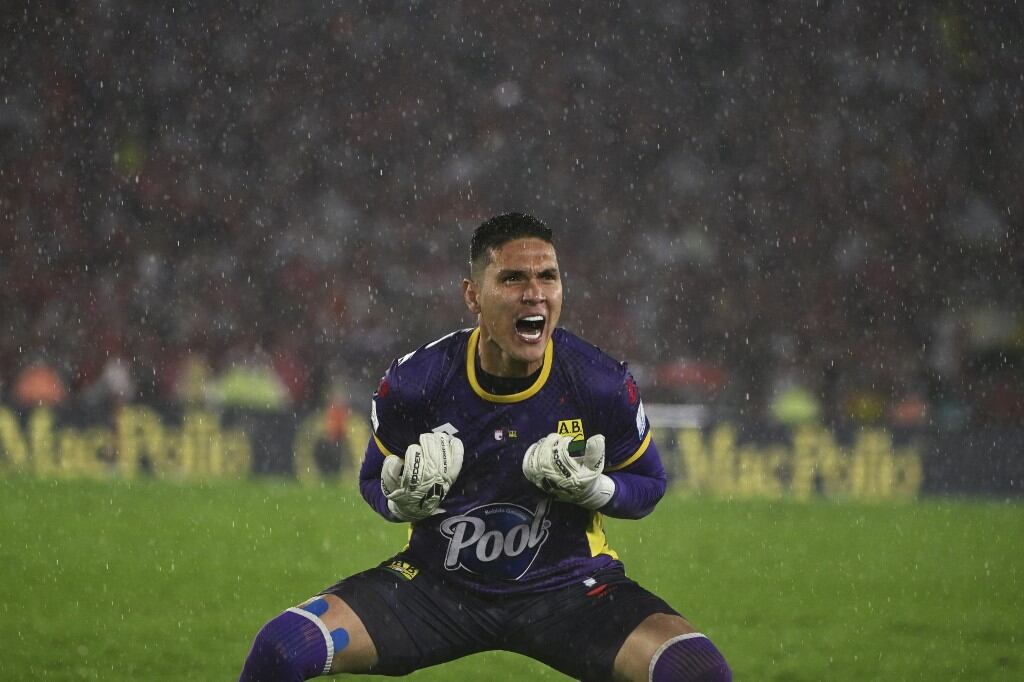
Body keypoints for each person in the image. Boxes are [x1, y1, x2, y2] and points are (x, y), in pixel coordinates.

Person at [240, 213, 731, 681]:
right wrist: (399, 502)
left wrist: (594, 488)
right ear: (473, 295)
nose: (535, 294)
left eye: (548, 277)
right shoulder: (417, 381)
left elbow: (650, 484)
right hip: (434, 586)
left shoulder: (599, 382)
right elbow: (374, 479)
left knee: (697, 670)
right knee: (281, 649)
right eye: (513, 278)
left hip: (568, 589)